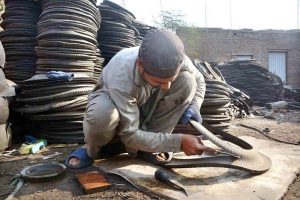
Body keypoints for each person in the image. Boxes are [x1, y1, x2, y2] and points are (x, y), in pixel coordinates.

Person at [65, 29, 216, 168]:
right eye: (159, 82)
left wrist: (195, 105)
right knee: (102, 115)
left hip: (145, 103)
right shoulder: (122, 75)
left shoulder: (177, 58)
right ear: (140, 65)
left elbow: (200, 80)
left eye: (171, 79)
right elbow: (130, 135)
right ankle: (92, 149)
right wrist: (178, 142)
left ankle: (152, 146)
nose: (167, 87)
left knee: (188, 82)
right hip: (114, 102)